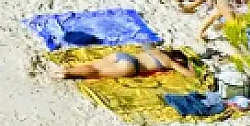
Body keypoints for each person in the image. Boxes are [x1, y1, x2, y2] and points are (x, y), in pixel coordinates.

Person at [54, 44, 192, 80]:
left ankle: (67, 69)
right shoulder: (170, 62)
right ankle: (67, 72)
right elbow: (190, 75)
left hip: (123, 55)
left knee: (93, 65)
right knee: (97, 72)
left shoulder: (156, 51)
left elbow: (145, 44)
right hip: (131, 66)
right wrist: (190, 66)